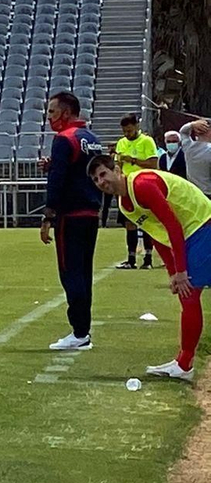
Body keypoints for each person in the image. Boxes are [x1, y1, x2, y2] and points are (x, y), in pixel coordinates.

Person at [88, 154, 211, 382]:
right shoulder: (125, 205)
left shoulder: (141, 186)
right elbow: (157, 234)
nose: (101, 182)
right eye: (96, 180)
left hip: (202, 224)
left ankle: (184, 364)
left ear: (117, 170)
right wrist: (173, 272)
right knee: (188, 295)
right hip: (193, 232)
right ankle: (183, 363)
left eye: (103, 174)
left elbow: (172, 225)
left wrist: (181, 271)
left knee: (189, 294)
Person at [40, 92, 104, 352]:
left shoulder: (64, 139)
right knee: (84, 272)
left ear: (66, 113)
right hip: (91, 213)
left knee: (70, 273)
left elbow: (58, 180)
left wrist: (48, 215)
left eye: (52, 112)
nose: (49, 118)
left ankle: (79, 332)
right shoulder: (92, 139)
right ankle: (82, 330)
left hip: (70, 215)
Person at [114, 114, 159, 269]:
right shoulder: (121, 143)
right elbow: (118, 165)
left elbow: (153, 164)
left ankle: (148, 259)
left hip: (144, 186)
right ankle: (131, 259)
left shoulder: (147, 141)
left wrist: (132, 160)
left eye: (129, 131)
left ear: (136, 127)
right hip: (127, 187)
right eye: (124, 131)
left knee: (146, 222)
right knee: (129, 222)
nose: (127, 134)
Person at [182, 120, 211, 196]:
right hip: (208, 193)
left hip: (193, 193)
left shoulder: (188, 147)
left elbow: (183, 132)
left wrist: (192, 125)